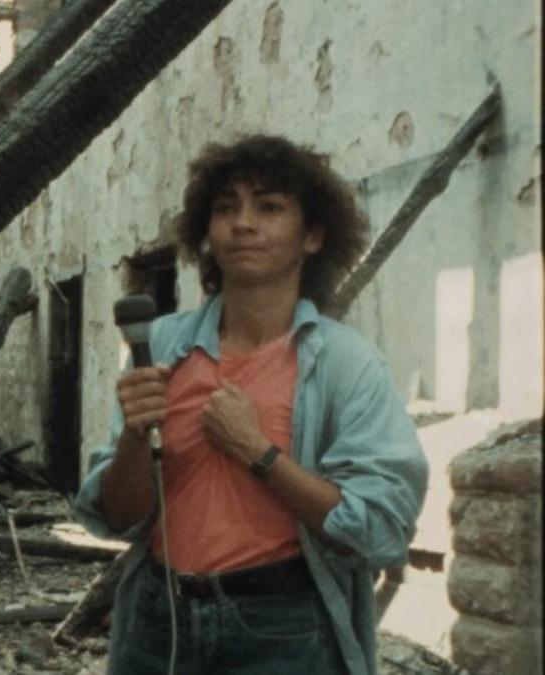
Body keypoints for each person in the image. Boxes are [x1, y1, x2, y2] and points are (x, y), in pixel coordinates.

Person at [73, 135, 428, 675]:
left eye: (268, 206)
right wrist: (133, 436)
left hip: (282, 629)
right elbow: (118, 517)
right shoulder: (162, 346)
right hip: (156, 621)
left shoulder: (344, 363)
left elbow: (379, 528)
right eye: (225, 208)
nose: (242, 223)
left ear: (313, 235)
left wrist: (257, 453)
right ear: (205, 233)